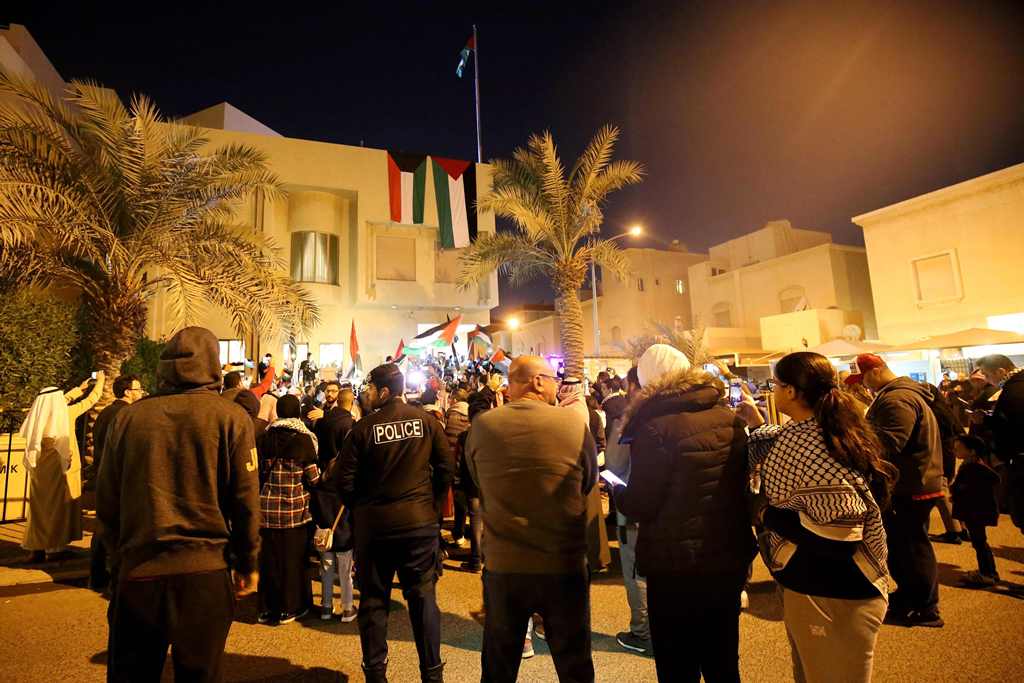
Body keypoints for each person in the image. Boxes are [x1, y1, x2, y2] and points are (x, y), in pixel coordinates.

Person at [96, 327, 259, 682]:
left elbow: (106, 500)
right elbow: (246, 499)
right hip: (205, 572)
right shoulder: (230, 418)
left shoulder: (128, 418)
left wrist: (116, 558)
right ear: (213, 365)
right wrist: (248, 561)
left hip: (140, 571)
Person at [749, 352, 897, 683]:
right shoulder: (824, 428)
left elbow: (838, 537)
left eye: (776, 384)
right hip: (819, 584)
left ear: (790, 391)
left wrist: (766, 513)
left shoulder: (813, 444)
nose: (773, 390)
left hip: (832, 588)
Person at [610, 345, 755, 682]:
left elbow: (641, 502)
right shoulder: (728, 418)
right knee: (722, 658)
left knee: (677, 661)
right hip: (725, 557)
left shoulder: (654, 427)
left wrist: (618, 491)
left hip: (673, 563)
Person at [465, 356, 597, 683]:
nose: (557, 385)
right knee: (575, 664)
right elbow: (588, 481)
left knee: (499, 664)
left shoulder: (483, 425)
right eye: (553, 378)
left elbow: (476, 478)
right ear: (537, 381)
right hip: (562, 565)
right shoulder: (572, 425)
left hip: (504, 566)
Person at [326, 363, 453, 683]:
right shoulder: (426, 422)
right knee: (423, 599)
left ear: (384, 391)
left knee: (373, 602)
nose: (364, 395)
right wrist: (431, 507)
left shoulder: (364, 429)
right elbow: (446, 469)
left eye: (369, 389)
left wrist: (363, 511)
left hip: (376, 529)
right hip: (419, 526)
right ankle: (432, 673)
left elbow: (344, 481)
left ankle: (376, 674)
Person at [846, 353, 945, 627]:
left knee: (911, 547)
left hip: (910, 485)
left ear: (875, 371)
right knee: (906, 546)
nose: (863, 385)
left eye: (863, 378)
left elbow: (889, 443)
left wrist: (858, 437)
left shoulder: (895, 399)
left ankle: (925, 608)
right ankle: (913, 597)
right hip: (915, 481)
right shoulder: (899, 395)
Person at [19, 372, 105, 563]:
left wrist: (78, 389)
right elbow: (91, 401)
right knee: (59, 510)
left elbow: (53, 403)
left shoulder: (37, 415)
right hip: (62, 472)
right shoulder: (66, 414)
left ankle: (37, 549)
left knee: (39, 511)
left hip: (40, 473)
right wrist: (100, 382)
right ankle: (55, 549)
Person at [256, 394, 321, 625]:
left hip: (266, 511)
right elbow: (313, 478)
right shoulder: (303, 440)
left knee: (269, 561)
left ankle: (266, 608)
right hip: (294, 512)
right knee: (293, 562)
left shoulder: (265, 438)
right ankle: (290, 607)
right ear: (298, 412)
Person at [604, 366, 651, 655]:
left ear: (634, 385)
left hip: (632, 510)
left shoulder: (630, 421)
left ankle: (643, 632)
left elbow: (614, 465)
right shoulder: (681, 415)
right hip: (670, 509)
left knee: (636, 570)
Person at [89, 374, 142, 589]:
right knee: (119, 529)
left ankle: (97, 573)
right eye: (138, 389)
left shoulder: (105, 413)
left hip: (103, 473)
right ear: (128, 392)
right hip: (119, 477)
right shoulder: (126, 414)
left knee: (103, 527)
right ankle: (115, 576)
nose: (140, 393)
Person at [976, 354, 1024, 534]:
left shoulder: (1014, 390)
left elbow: (1013, 426)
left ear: (1001, 371)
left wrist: (988, 422)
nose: (987, 380)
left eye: (988, 375)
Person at [950, 434, 1001, 586]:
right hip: (974, 511)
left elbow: (991, 480)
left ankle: (988, 574)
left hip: (976, 512)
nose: (955, 451)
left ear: (971, 451)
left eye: (958, 448)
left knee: (980, 543)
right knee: (979, 542)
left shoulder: (975, 468)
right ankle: (988, 572)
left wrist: (958, 491)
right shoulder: (970, 465)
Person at [444, 389, 472, 548]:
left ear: (454, 399)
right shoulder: (471, 415)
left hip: (453, 458)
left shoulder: (450, 414)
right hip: (468, 459)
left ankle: (459, 532)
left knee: (459, 496)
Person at [314, 384, 355, 468]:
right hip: (339, 467)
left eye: (333, 391)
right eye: (328, 391)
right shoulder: (351, 422)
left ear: (338, 400)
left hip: (324, 466)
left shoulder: (322, 417)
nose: (330, 394)